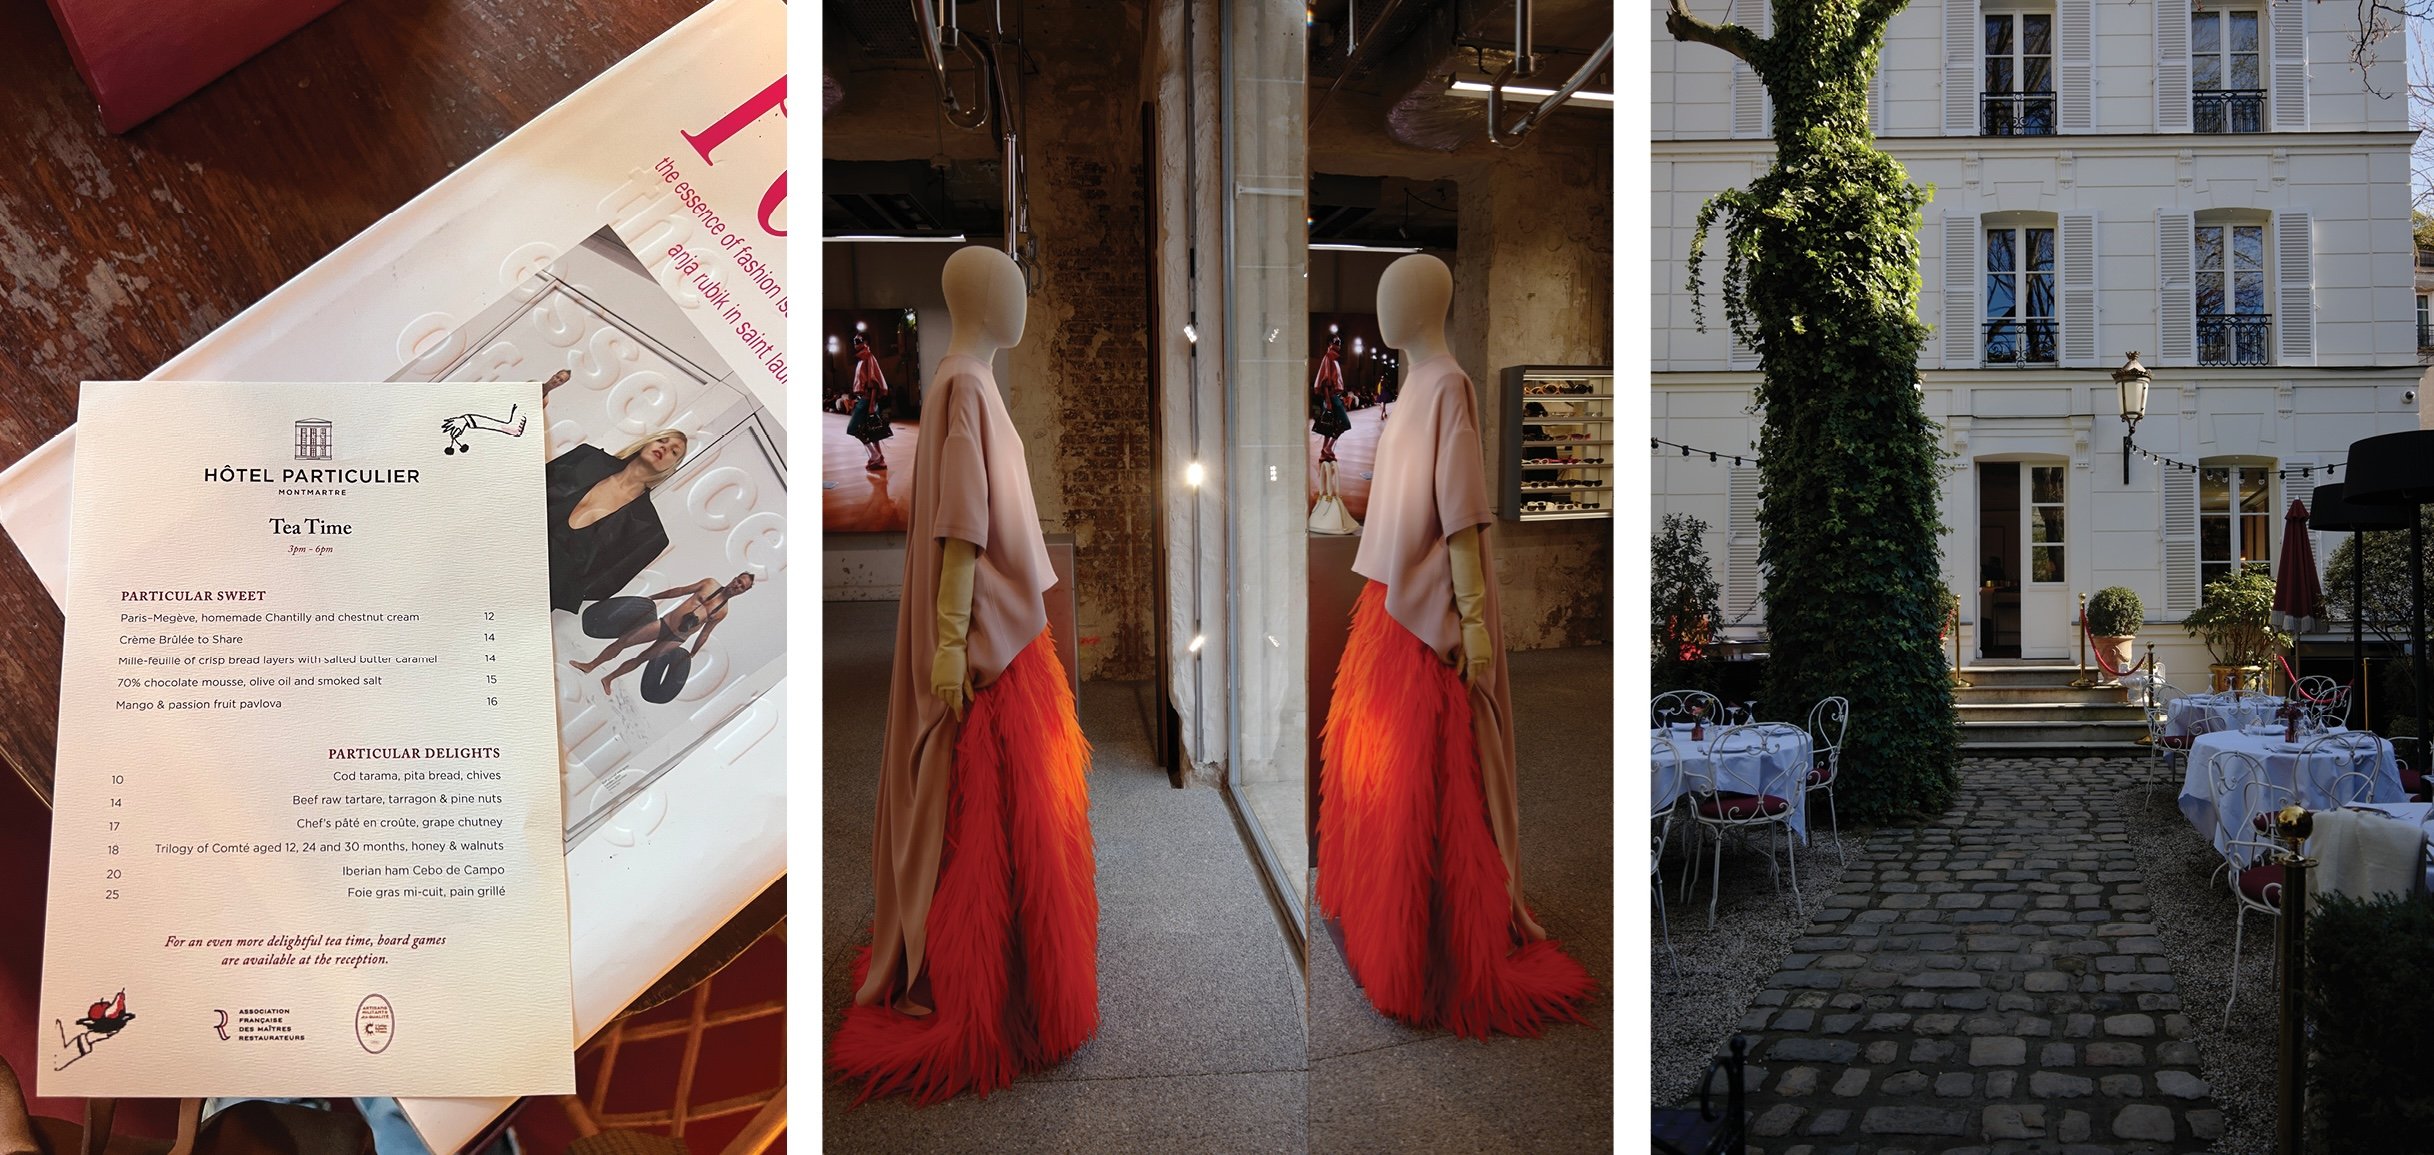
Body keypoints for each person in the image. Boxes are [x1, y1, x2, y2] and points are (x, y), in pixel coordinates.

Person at [540, 371, 690, 616]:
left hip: (538, 594)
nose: (665, 448)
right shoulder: (587, 458)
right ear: (649, 441)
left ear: (671, 468)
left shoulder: (650, 532)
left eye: (674, 452)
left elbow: (606, 583)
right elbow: (536, 483)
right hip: (504, 545)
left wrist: (559, 588)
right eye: (663, 441)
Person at [571, 573, 755, 697]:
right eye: (739, 581)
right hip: (665, 624)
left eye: (742, 587)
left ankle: (608, 678)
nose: (737, 586)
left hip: (678, 638)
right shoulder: (709, 584)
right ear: (734, 578)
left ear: (743, 592)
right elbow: (681, 591)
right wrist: (654, 597)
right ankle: (590, 665)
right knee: (624, 641)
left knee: (642, 658)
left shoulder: (723, 612)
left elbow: (705, 633)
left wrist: (693, 653)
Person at [846, 334, 894, 471]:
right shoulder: (862, 358)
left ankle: (875, 456)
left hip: (868, 400)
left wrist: (872, 405)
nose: (855, 343)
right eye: (854, 341)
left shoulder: (868, 357)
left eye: (858, 340)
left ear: (865, 342)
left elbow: (873, 383)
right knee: (872, 431)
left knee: (853, 428)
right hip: (866, 399)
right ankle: (880, 460)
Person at [1312, 335, 1352, 461]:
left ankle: (1324, 454)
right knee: (1344, 423)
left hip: (1334, 396)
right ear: (1329, 343)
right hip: (1331, 396)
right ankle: (1328, 448)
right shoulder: (1329, 357)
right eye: (1336, 342)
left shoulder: (1333, 358)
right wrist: (1328, 400)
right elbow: (1326, 381)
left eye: (1340, 342)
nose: (1339, 344)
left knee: (1330, 426)